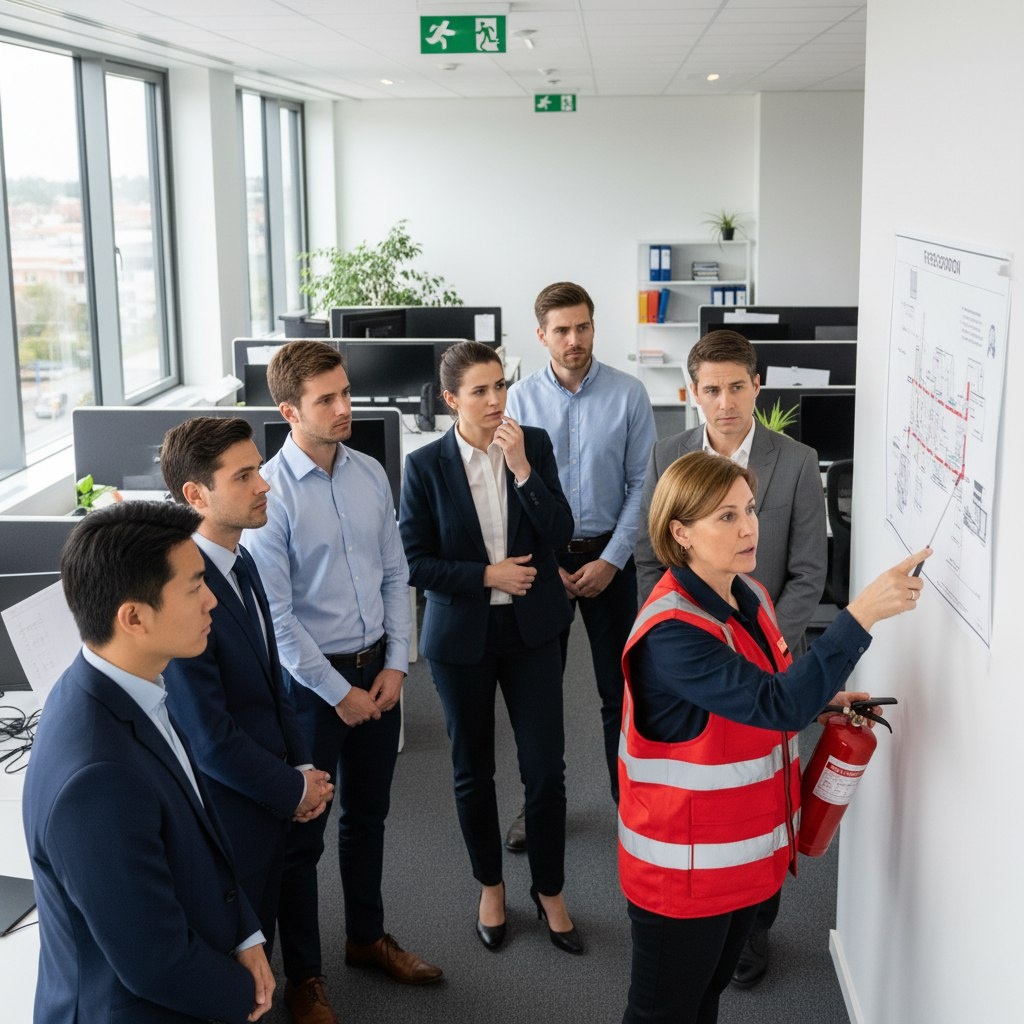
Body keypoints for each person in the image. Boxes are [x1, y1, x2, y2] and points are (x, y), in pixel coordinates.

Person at [620, 451, 929, 1024]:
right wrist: (859, 615)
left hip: (741, 861)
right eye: (726, 516)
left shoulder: (749, 595)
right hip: (683, 877)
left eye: (750, 509)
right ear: (680, 533)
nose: (749, 527)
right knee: (662, 1014)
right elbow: (777, 703)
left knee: (706, 999)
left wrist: (823, 702)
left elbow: (762, 691)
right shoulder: (672, 632)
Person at [243, 341, 442, 1024]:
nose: (344, 407)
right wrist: (340, 693)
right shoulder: (270, 495)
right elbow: (278, 620)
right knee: (303, 837)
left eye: (346, 392)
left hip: (376, 672)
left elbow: (395, 571)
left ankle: (366, 937)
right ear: (289, 411)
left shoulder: (370, 473)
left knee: (368, 817)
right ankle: (306, 976)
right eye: (326, 399)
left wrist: (396, 662)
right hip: (311, 690)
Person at [22, 501, 276, 1024]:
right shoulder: (97, 778)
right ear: (134, 617)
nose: (211, 600)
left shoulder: (136, 685)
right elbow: (155, 964)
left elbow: (196, 830)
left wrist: (245, 933)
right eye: (194, 587)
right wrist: (245, 998)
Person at [633, 328, 827, 985]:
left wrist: (766, 648)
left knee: (767, 794)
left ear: (757, 388)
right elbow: (649, 558)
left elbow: (808, 573)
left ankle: (755, 926)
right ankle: (713, 919)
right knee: (703, 798)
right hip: (694, 663)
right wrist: (676, 640)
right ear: (692, 392)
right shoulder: (667, 455)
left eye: (737, 387)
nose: (725, 402)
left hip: (772, 658)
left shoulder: (795, 461)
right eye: (711, 389)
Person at [399, 341, 582, 955]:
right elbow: (414, 561)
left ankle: (550, 889)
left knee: (546, 771)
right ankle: (491, 886)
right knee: (473, 770)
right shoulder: (425, 466)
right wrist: (486, 575)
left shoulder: (533, 445)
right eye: (479, 390)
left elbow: (561, 531)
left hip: (533, 632)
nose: (495, 399)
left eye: (500, 385)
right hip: (462, 639)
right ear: (452, 400)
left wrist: (524, 470)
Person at [159, 416, 334, 946]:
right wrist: (292, 789)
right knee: (241, 958)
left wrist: (301, 764)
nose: (264, 485)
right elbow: (210, 738)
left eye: (258, 469)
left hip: (271, 790)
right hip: (230, 812)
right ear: (196, 495)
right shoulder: (183, 594)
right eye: (243, 476)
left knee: (270, 938)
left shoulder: (243, 562)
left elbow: (274, 684)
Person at [504, 281, 655, 821]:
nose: (575, 339)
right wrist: (548, 562)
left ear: (594, 327)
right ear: (541, 335)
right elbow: (512, 489)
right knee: (539, 698)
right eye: (562, 330)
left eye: (583, 327)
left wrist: (612, 559)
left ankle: (630, 802)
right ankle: (540, 808)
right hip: (542, 564)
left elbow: (644, 485)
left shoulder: (629, 394)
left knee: (620, 691)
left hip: (610, 558)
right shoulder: (517, 400)